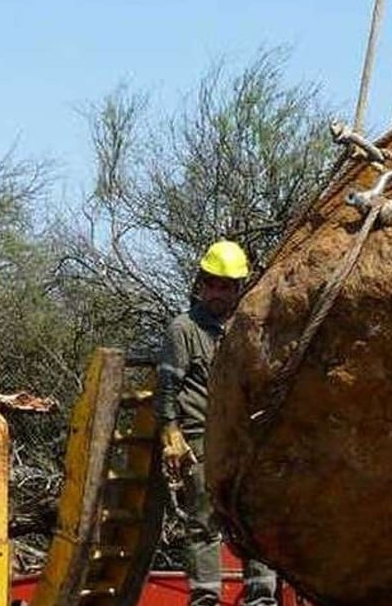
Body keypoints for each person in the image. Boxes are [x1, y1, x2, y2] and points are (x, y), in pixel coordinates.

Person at [156, 240, 277, 606]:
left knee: (251, 517)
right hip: (200, 438)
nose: (219, 293)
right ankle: (205, 597)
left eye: (227, 286)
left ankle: (261, 596)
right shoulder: (184, 329)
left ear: (239, 288)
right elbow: (167, 388)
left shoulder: (248, 327)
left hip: (242, 439)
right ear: (201, 284)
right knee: (204, 523)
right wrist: (170, 431)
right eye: (212, 284)